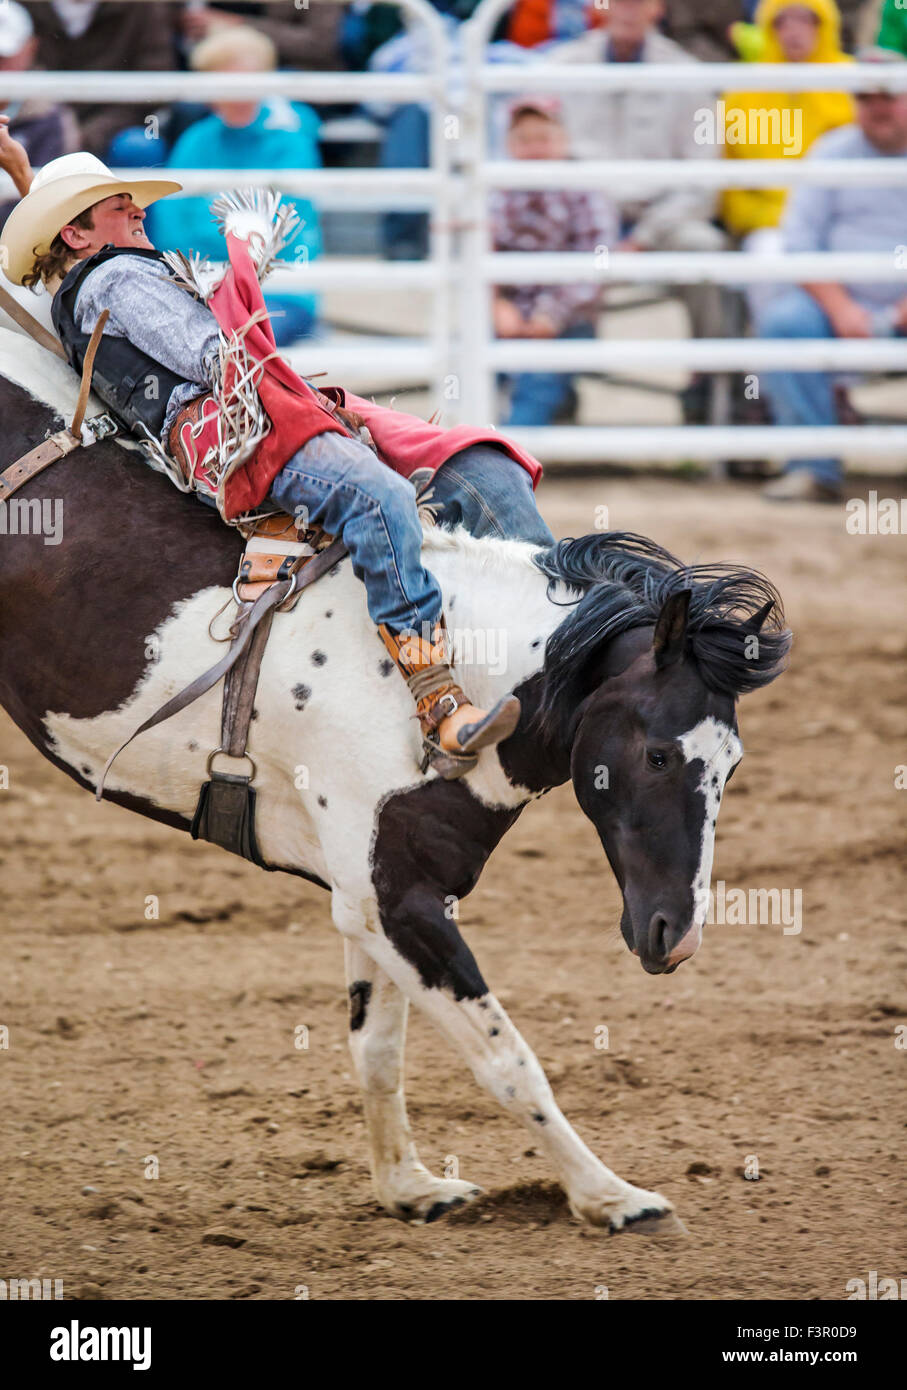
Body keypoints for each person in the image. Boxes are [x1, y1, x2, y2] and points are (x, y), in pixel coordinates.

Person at [0, 147, 554, 778]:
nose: (136, 210)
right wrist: (241, 285)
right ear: (75, 231)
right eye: (115, 204)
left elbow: (63, 267)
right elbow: (212, 356)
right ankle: (440, 699)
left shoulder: (90, 281)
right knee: (386, 496)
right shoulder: (118, 277)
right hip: (239, 431)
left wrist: (26, 176)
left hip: (241, 426)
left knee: (422, 481)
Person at [545, 0, 728, 422]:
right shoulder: (560, 67)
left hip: (660, 221)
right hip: (574, 219)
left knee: (705, 251)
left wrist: (643, 237)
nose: (628, 6)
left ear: (658, 8)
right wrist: (583, 224)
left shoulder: (688, 76)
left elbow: (703, 180)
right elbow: (530, 160)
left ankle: (711, 391)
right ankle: (547, 389)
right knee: (527, 251)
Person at [759, 47, 907, 501]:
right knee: (785, 324)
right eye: (866, 98)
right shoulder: (831, 152)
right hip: (839, 300)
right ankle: (813, 467)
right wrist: (842, 308)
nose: (876, 107)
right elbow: (799, 242)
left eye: (888, 97)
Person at [148, 26, 322, 349]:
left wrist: (211, 216)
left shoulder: (290, 142)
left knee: (238, 342)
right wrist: (238, 219)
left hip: (279, 293)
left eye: (246, 76)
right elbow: (170, 229)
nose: (237, 89)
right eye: (225, 78)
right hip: (205, 288)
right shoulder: (195, 141)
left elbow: (279, 232)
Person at [720, 0, 855, 320]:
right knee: (770, 262)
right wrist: (777, 220)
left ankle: (848, 363)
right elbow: (731, 184)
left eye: (806, 20)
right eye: (783, 21)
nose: (794, 31)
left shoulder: (854, 84)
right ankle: (775, 365)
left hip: (842, 223)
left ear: (824, 26)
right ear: (769, 28)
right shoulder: (743, 93)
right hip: (772, 226)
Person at [491, 98, 617, 425]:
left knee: (539, 376)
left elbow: (595, 266)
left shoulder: (584, 191)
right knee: (479, 366)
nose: (534, 148)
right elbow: (476, 253)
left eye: (543, 139)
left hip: (567, 320)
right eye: (523, 140)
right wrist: (496, 305)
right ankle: (487, 454)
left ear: (564, 141)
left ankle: (507, 460)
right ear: (508, 145)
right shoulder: (495, 191)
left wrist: (550, 314)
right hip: (505, 316)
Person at [22, 1, 176, 158]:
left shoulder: (143, 7)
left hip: (114, 127)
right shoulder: (25, 6)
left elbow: (152, 86)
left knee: (138, 148)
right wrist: (54, 125)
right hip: (39, 122)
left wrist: (92, 134)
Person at [0, 1, 77, 226]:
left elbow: (57, 215)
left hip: (26, 243)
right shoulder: (52, 116)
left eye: (4, 57)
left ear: (31, 47)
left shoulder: (51, 118)